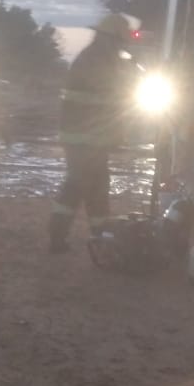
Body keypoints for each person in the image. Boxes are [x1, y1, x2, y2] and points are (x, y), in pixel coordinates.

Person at [48, 13, 140, 254]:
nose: (122, 46)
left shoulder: (96, 57)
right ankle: (64, 237)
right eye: (120, 41)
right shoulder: (98, 61)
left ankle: (97, 236)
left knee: (92, 185)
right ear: (110, 38)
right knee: (80, 185)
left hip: (86, 138)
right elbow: (110, 99)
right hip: (85, 138)